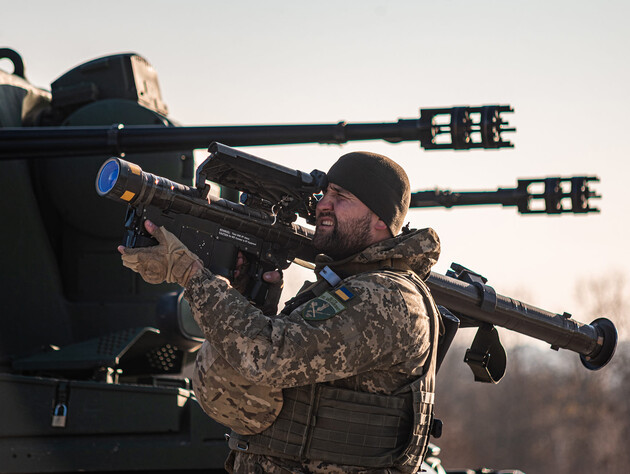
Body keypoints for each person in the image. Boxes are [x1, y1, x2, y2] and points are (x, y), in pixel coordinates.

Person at [118, 151, 442, 474]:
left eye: (341, 196)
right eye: (325, 193)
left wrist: (191, 274)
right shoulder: (344, 287)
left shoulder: (386, 297)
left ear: (381, 220)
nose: (323, 205)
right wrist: (247, 298)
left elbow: (267, 357)